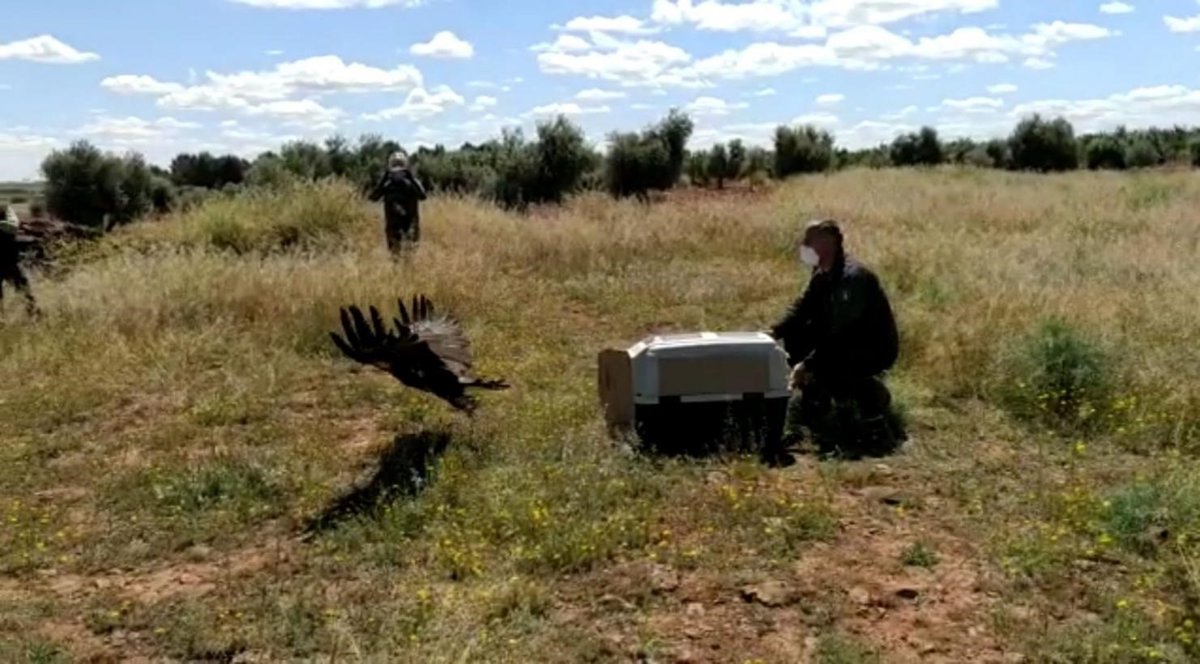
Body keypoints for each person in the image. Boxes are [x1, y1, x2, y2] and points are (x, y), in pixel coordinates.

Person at [768, 219, 905, 460]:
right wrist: (774, 333)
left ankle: (875, 427)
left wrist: (809, 364)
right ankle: (815, 407)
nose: (804, 245)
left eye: (809, 240)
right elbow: (803, 308)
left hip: (871, 346)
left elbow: (845, 332)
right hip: (842, 341)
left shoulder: (853, 277)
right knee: (795, 338)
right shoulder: (823, 272)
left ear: (828, 242)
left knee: (837, 365)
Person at [368, 151, 427, 254]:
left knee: (397, 255)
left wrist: (384, 179)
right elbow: (423, 196)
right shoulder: (409, 183)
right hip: (406, 225)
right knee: (408, 254)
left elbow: (373, 197)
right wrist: (410, 177)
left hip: (397, 226)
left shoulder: (388, 184)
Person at [0, 205, 39, 319]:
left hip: (9, 262)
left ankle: (33, 314)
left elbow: (14, 228)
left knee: (23, 289)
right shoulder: (7, 221)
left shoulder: (6, 217)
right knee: (23, 290)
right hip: (9, 263)